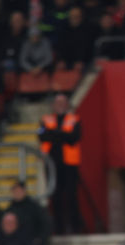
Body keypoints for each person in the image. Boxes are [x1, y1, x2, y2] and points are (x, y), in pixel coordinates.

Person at [39, 94, 82, 235]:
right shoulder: (46, 119)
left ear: (67, 104)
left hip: (70, 165)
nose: (60, 105)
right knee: (55, 198)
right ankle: (59, 230)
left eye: (63, 102)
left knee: (71, 197)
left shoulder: (74, 119)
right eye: (57, 102)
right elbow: (42, 136)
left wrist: (54, 133)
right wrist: (62, 134)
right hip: (52, 165)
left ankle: (74, 229)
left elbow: (74, 138)